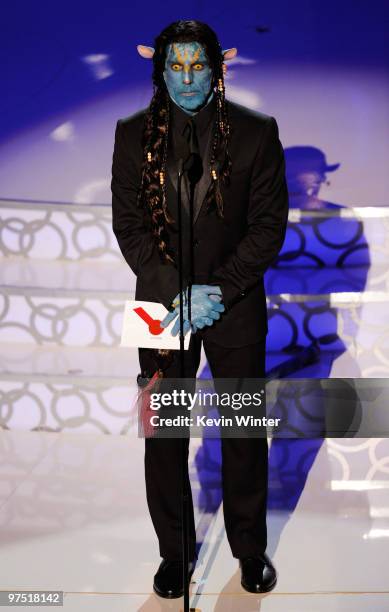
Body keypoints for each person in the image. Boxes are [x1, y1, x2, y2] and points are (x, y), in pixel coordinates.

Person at [111, 19, 289, 598]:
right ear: (161, 71)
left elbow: (267, 227)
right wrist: (175, 289)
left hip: (233, 304)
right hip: (160, 307)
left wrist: (219, 289)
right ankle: (175, 553)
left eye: (198, 66)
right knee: (163, 434)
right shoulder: (131, 134)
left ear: (217, 68)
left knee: (242, 432)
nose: (187, 79)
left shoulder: (256, 133)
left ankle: (249, 549)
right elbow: (129, 226)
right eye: (175, 67)